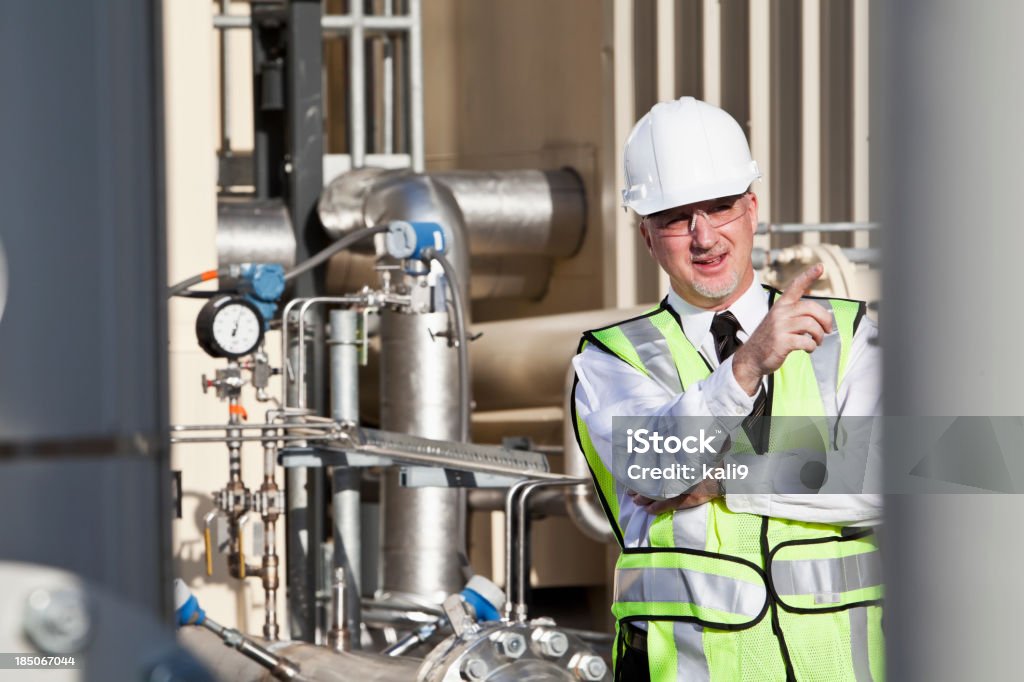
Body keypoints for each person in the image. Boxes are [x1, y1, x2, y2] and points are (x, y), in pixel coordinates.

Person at [571, 97, 883, 681]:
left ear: (753, 208)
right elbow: (652, 470)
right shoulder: (611, 358)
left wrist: (724, 480)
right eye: (674, 217)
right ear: (646, 234)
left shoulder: (846, 333)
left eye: (720, 208)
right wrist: (745, 367)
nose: (703, 236)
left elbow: (900, 476)